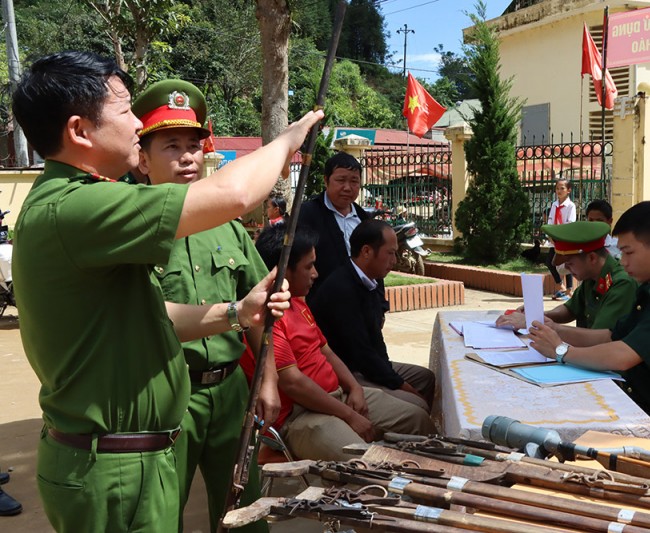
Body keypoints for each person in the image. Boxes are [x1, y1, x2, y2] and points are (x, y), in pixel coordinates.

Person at [11, 51, 320, 533]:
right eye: (125, 110)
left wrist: (238, 312)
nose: (137, 125)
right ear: (79, 130)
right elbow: (234, 195)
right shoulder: (77, 206)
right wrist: (288, 140)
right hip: (113, 468)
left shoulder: (80, 202)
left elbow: (156, 315)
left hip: (132, 456)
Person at [133, 79, 270, 533]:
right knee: (161, 514)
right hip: (166, 392)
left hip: (231, 392)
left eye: (194, 144)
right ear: (142, 158)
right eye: (171, 145)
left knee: (244, 509)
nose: (188, 156)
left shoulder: (226, 227)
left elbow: (258, 310)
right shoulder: (128, 231)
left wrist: (266, 382)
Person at [528, 202, 650, 446]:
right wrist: (554, 330)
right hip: (643, 409)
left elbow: (623, 356)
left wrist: (561, 351)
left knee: (558, 443)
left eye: (628, 253)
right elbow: (610, 337)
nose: (622, 261)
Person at [254, 225, 436, 460]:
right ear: (282, 271)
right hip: (300, 415)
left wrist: (354, 388)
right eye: (309, 266)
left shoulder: (297, 303)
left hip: (336, 395)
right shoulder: (266, 318)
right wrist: (349, 415)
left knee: (417, 419)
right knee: (364, 462)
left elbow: (325, 351)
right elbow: (293, 383)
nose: (316, 273)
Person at [310, 219, 436, 412]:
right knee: (416, 405)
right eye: (390, 253)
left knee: (425, 378)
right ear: (367, 251)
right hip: (347, 372)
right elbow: (362, 353)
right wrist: (401, 385)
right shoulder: (342, 289)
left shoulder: (369, 281)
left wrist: (393, 376)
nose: (394, 261)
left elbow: (375, 339)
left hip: (364, 362)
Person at [497, 221, 637, 331]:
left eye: (569, 263)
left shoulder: (622, 283)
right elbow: (570, 309)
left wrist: (536, 323)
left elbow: (601, 338)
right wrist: (537, 316)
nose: (566, 268)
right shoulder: (592, 276)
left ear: (592, 258)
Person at [298, 152, 384, 304]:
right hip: (324, 305)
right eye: (341, 180)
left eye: (354, 182)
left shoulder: (363, 218)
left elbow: (375, 262)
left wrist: (380, 305)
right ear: (326, 180)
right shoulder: (308, 214)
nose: (347, 188)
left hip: (363, 304)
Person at [545, 178, 576, 300]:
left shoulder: (571, 206)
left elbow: (570, 223)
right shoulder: (554, 205)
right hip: (555, 239)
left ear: (568, 190)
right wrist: (550, 234)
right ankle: (560, 286)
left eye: (562, 188)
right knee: (550, 262)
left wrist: (561, 236)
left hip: (565, 238)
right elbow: (551, 220)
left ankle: (569, 290)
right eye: (557, 188)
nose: (559, 191)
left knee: (566, 263)